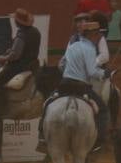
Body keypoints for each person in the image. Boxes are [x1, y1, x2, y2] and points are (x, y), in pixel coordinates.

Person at [43, 21, 109, 152]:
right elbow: (92, 72)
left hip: (64, 85)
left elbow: (61, 65)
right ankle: (98, 142)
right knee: (103, 110)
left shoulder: (72, 46)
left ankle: (42, 138)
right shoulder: (90, 48)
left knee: (46, 104)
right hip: (81, 86)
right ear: (92, 35)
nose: (98, 38)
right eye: (97, 35)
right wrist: (104, 73)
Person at [0, 9, 42, 91]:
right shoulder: (36, 31)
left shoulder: (21, 35)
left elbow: (15, 55)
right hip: (33, 63)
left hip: (20, 66)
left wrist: (3, 58)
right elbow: (27, 48)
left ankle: (2, 102)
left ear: (18, 22)